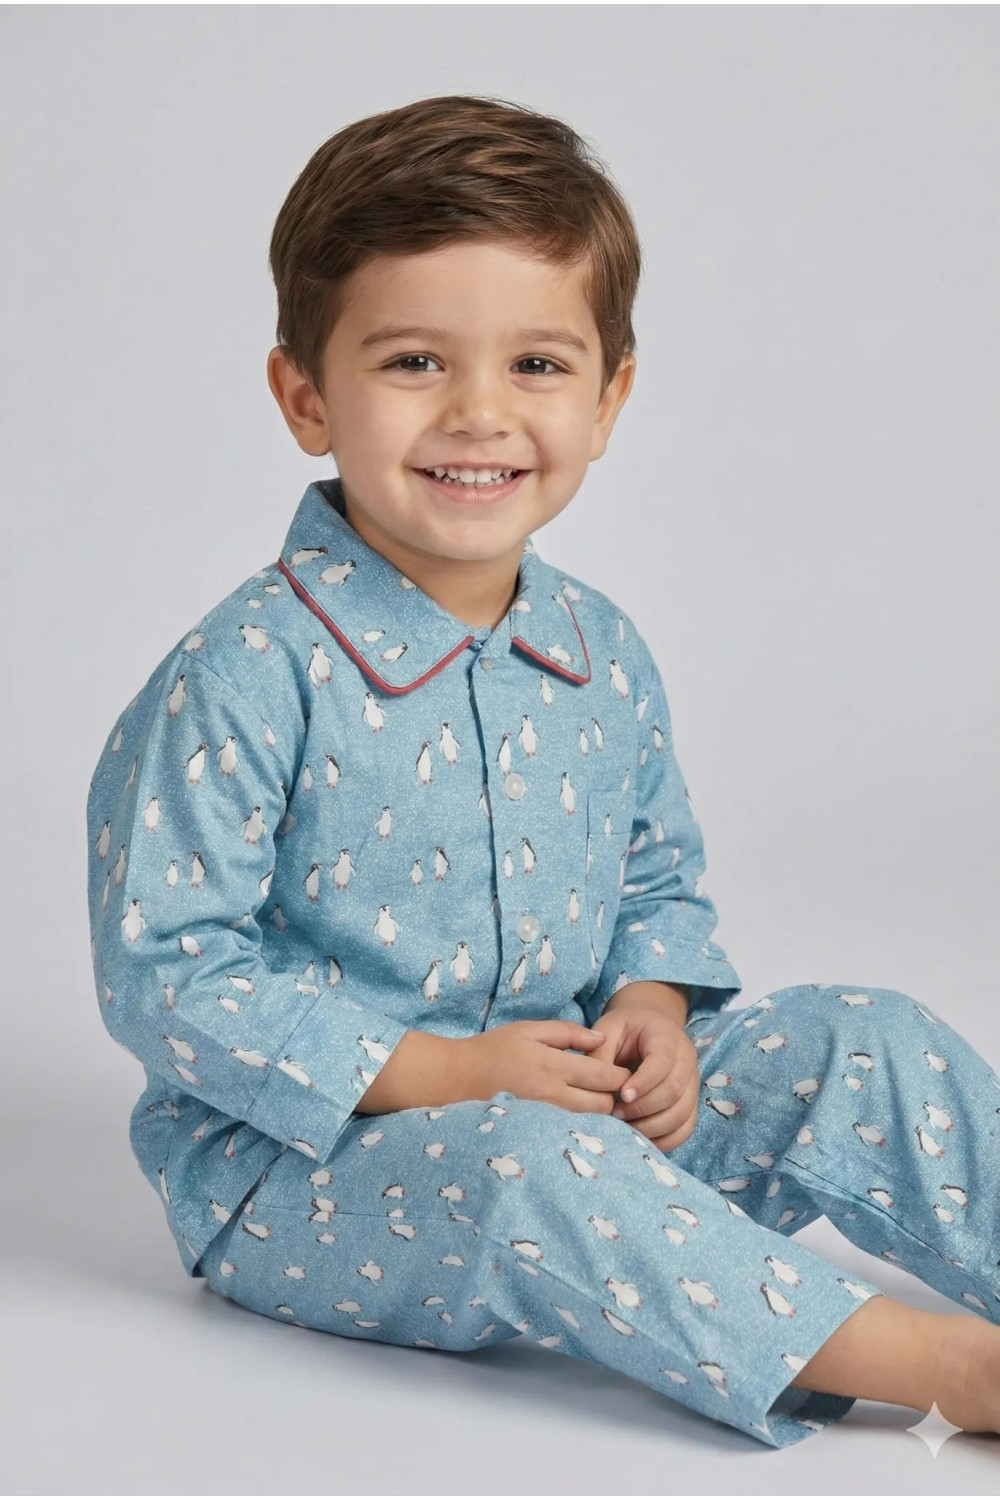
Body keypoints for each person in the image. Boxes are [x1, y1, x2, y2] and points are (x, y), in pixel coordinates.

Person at [85, 93, 1000, 1450]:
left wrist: (653, 1012)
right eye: (412, 361)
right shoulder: (244, 673)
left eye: (536, 364)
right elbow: (168, 973)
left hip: (586, 1115)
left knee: (863, 1037)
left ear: (608, 397)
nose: (479, 413)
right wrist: (445, 1075)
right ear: (305, 397)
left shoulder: (598, 652)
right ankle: (936, 1367)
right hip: (311, 1176)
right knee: (525, 1163)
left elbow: (654, 881)